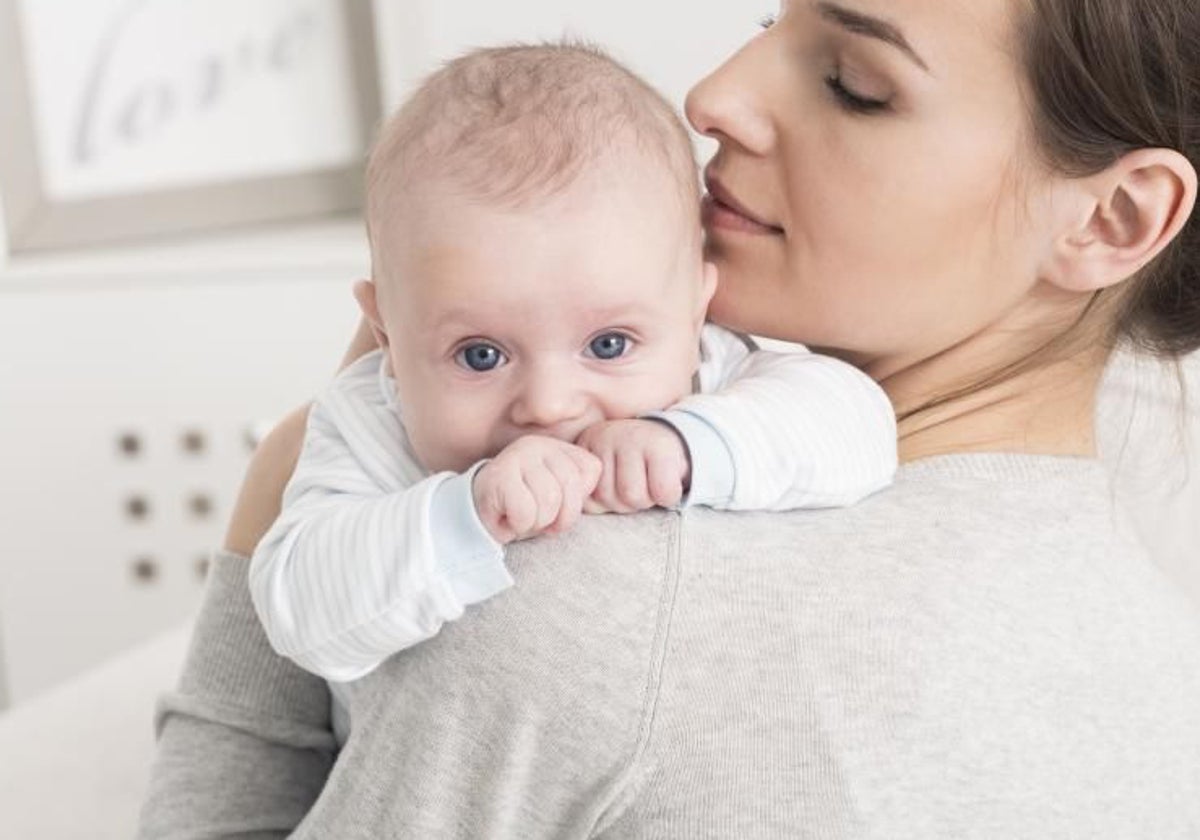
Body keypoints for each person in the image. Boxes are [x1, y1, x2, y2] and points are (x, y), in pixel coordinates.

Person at [139, 1, 1200, 837]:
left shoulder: (584, 590)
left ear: (1113, 216)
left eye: (853, 84)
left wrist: (280, 493)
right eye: (764, 26)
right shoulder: (1153, 640)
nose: (713, 97)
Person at [248, 45, 896, 715]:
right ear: (386, 336)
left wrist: (687, 445)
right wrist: (466, 513)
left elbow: (859, 425)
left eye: (609, 345)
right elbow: (296, 609)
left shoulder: (709, 370)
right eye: (479, 356)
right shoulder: (369, 422)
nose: (549, 405)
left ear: (695, 308)